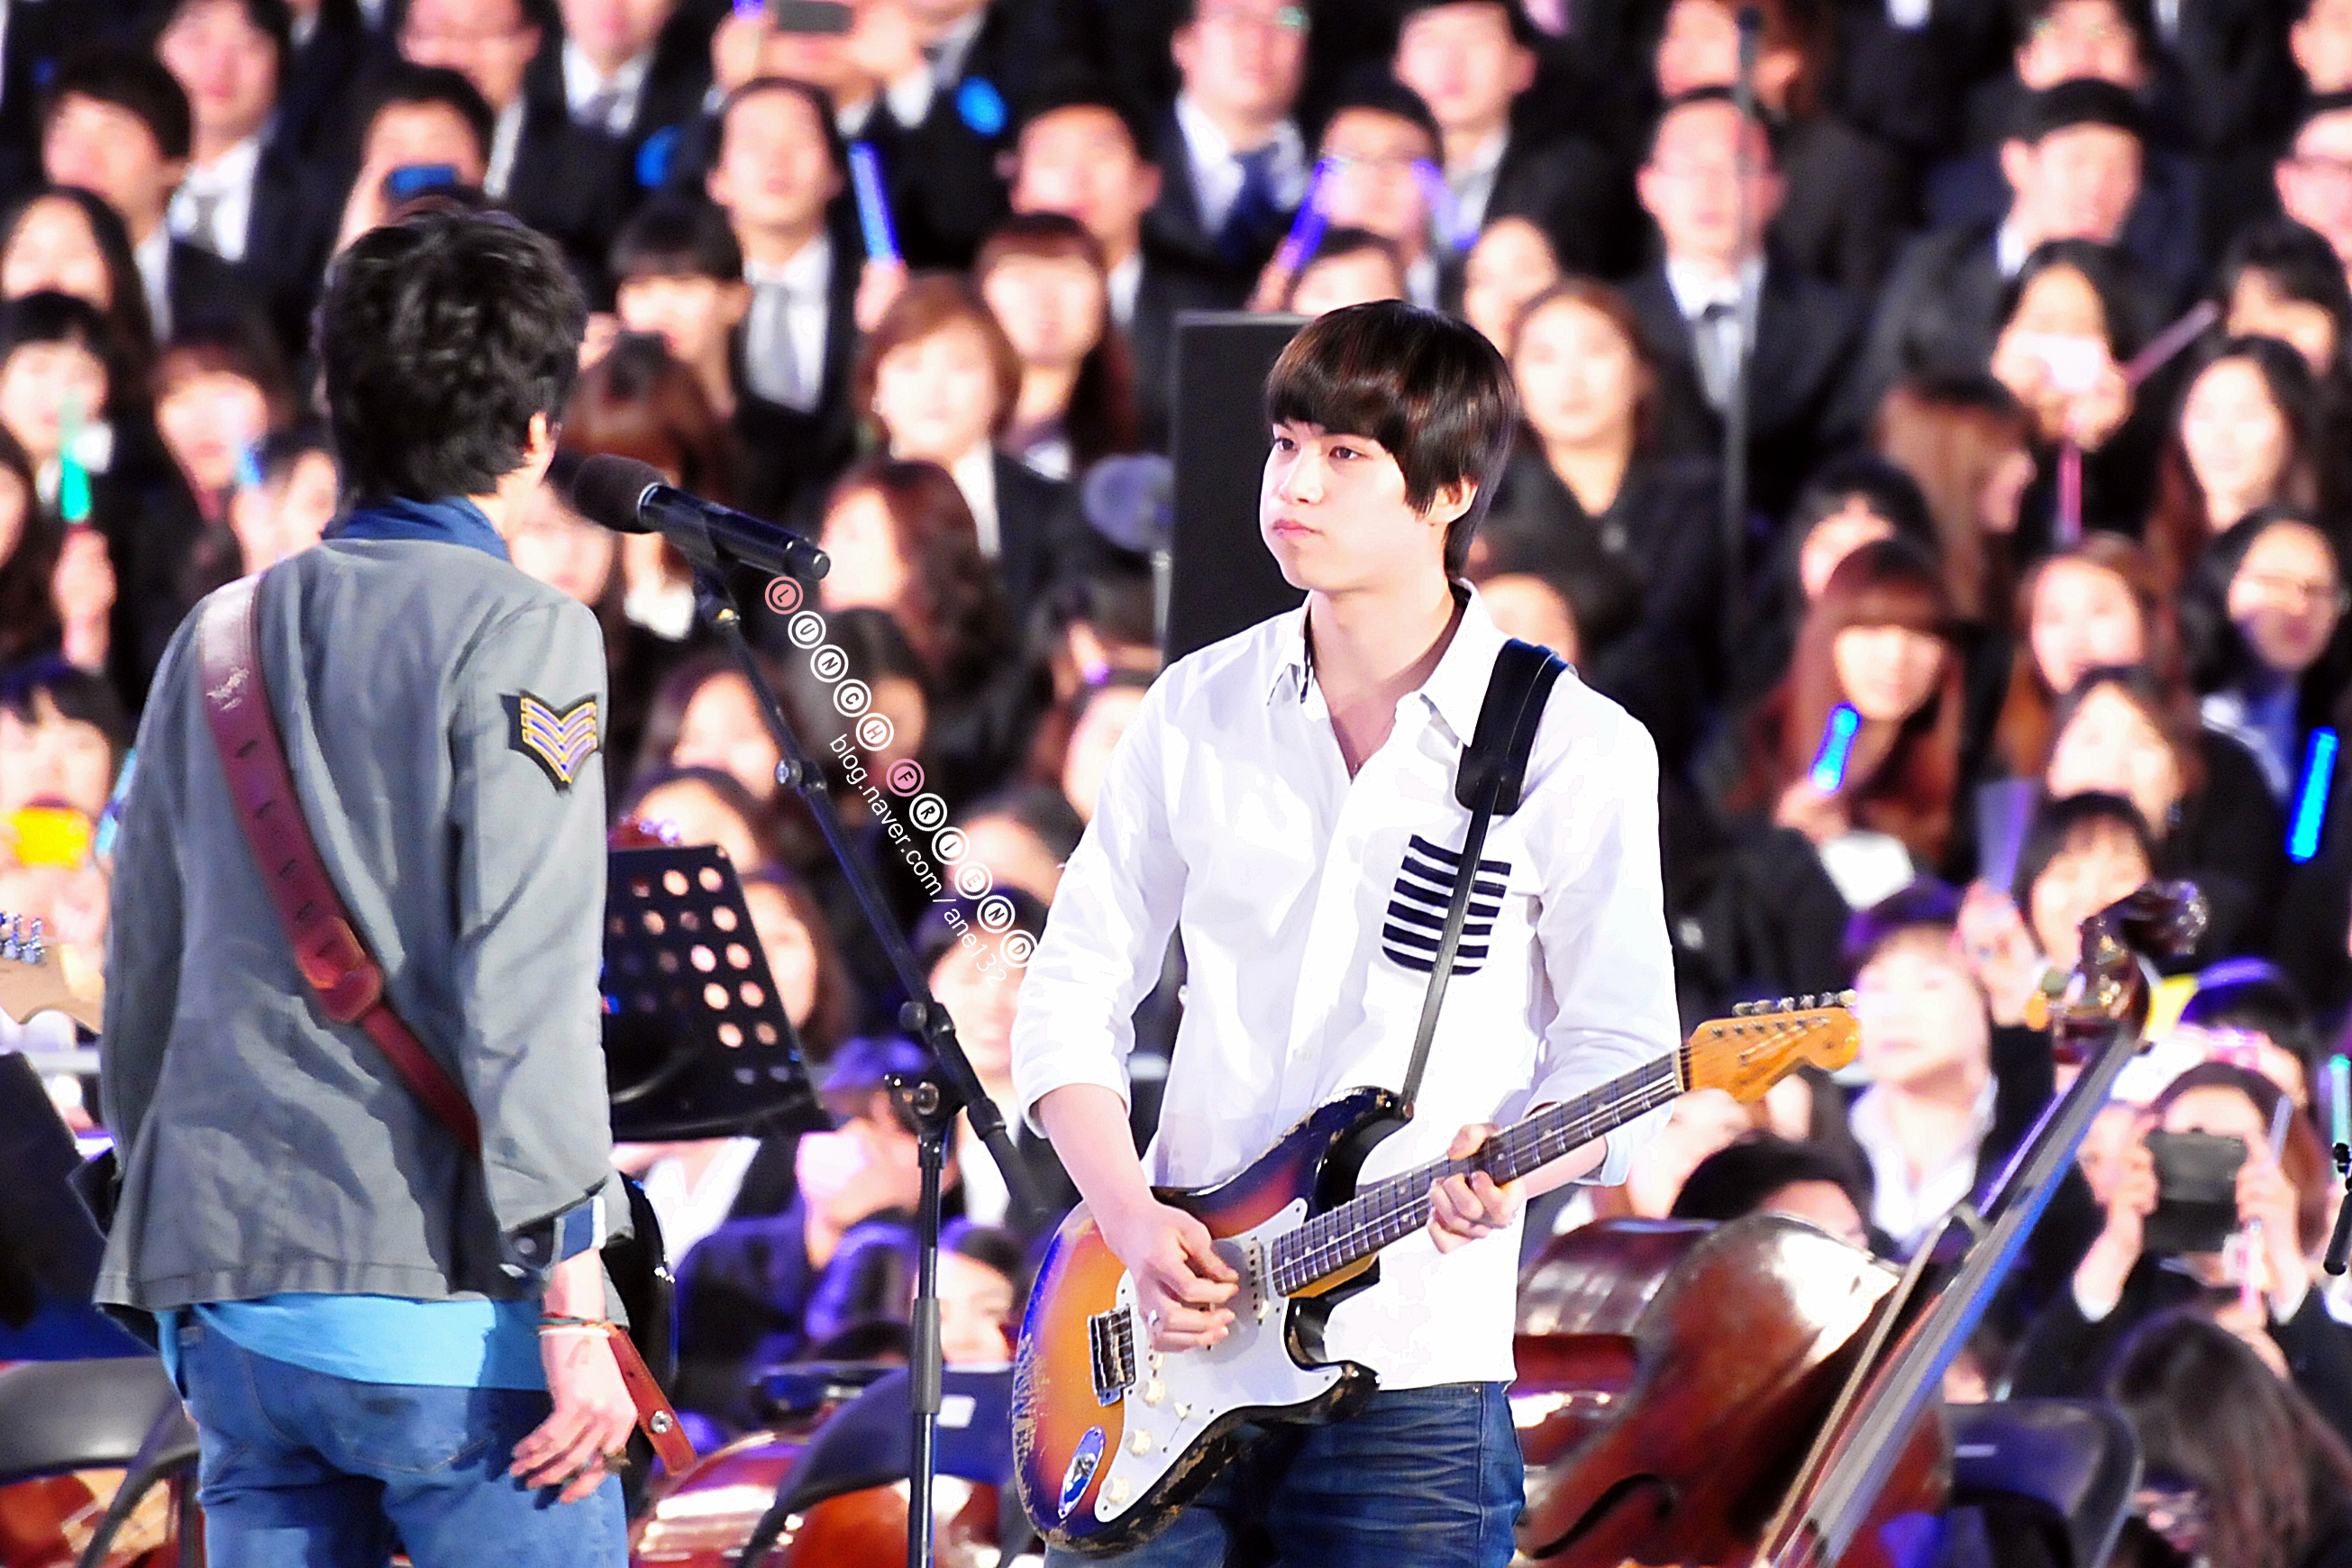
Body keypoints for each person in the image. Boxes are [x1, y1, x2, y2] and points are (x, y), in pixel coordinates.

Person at [1011, 302, 1680, 1565]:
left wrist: (1518, 1168)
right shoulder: (1197, 706)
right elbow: (1073, 988)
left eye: (1344, 456)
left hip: (1409, 1384)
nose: (1295, 486)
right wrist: (1129, 1219)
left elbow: (1624, 1050)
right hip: (1166, 1344)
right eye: (1285, 446)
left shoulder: (1576, 746)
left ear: (1450, 492)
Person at [95, 210, 636, 1563]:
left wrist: (182, 1288)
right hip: (441, 1311)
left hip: (228, 1301)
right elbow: (527, 984)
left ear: (336, 400)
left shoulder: (214, 633)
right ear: (536, 433)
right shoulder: (526, 630)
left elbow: (138, 973)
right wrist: (579, 1294)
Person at [1625, 87, 1864, 527]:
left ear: (1776, 188)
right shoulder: (1615, 323)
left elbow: (1844, 463)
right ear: (1647, 187)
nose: (1708, 188)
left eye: (1736, 167)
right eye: (1686, 168)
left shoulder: (1834, 324)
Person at [2107, 1314, 2352, 1568]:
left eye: (2176, 1502)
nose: (2157, 1522)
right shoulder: (2146, 1544)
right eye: (2143, 1507)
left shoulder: (2334, 1547)